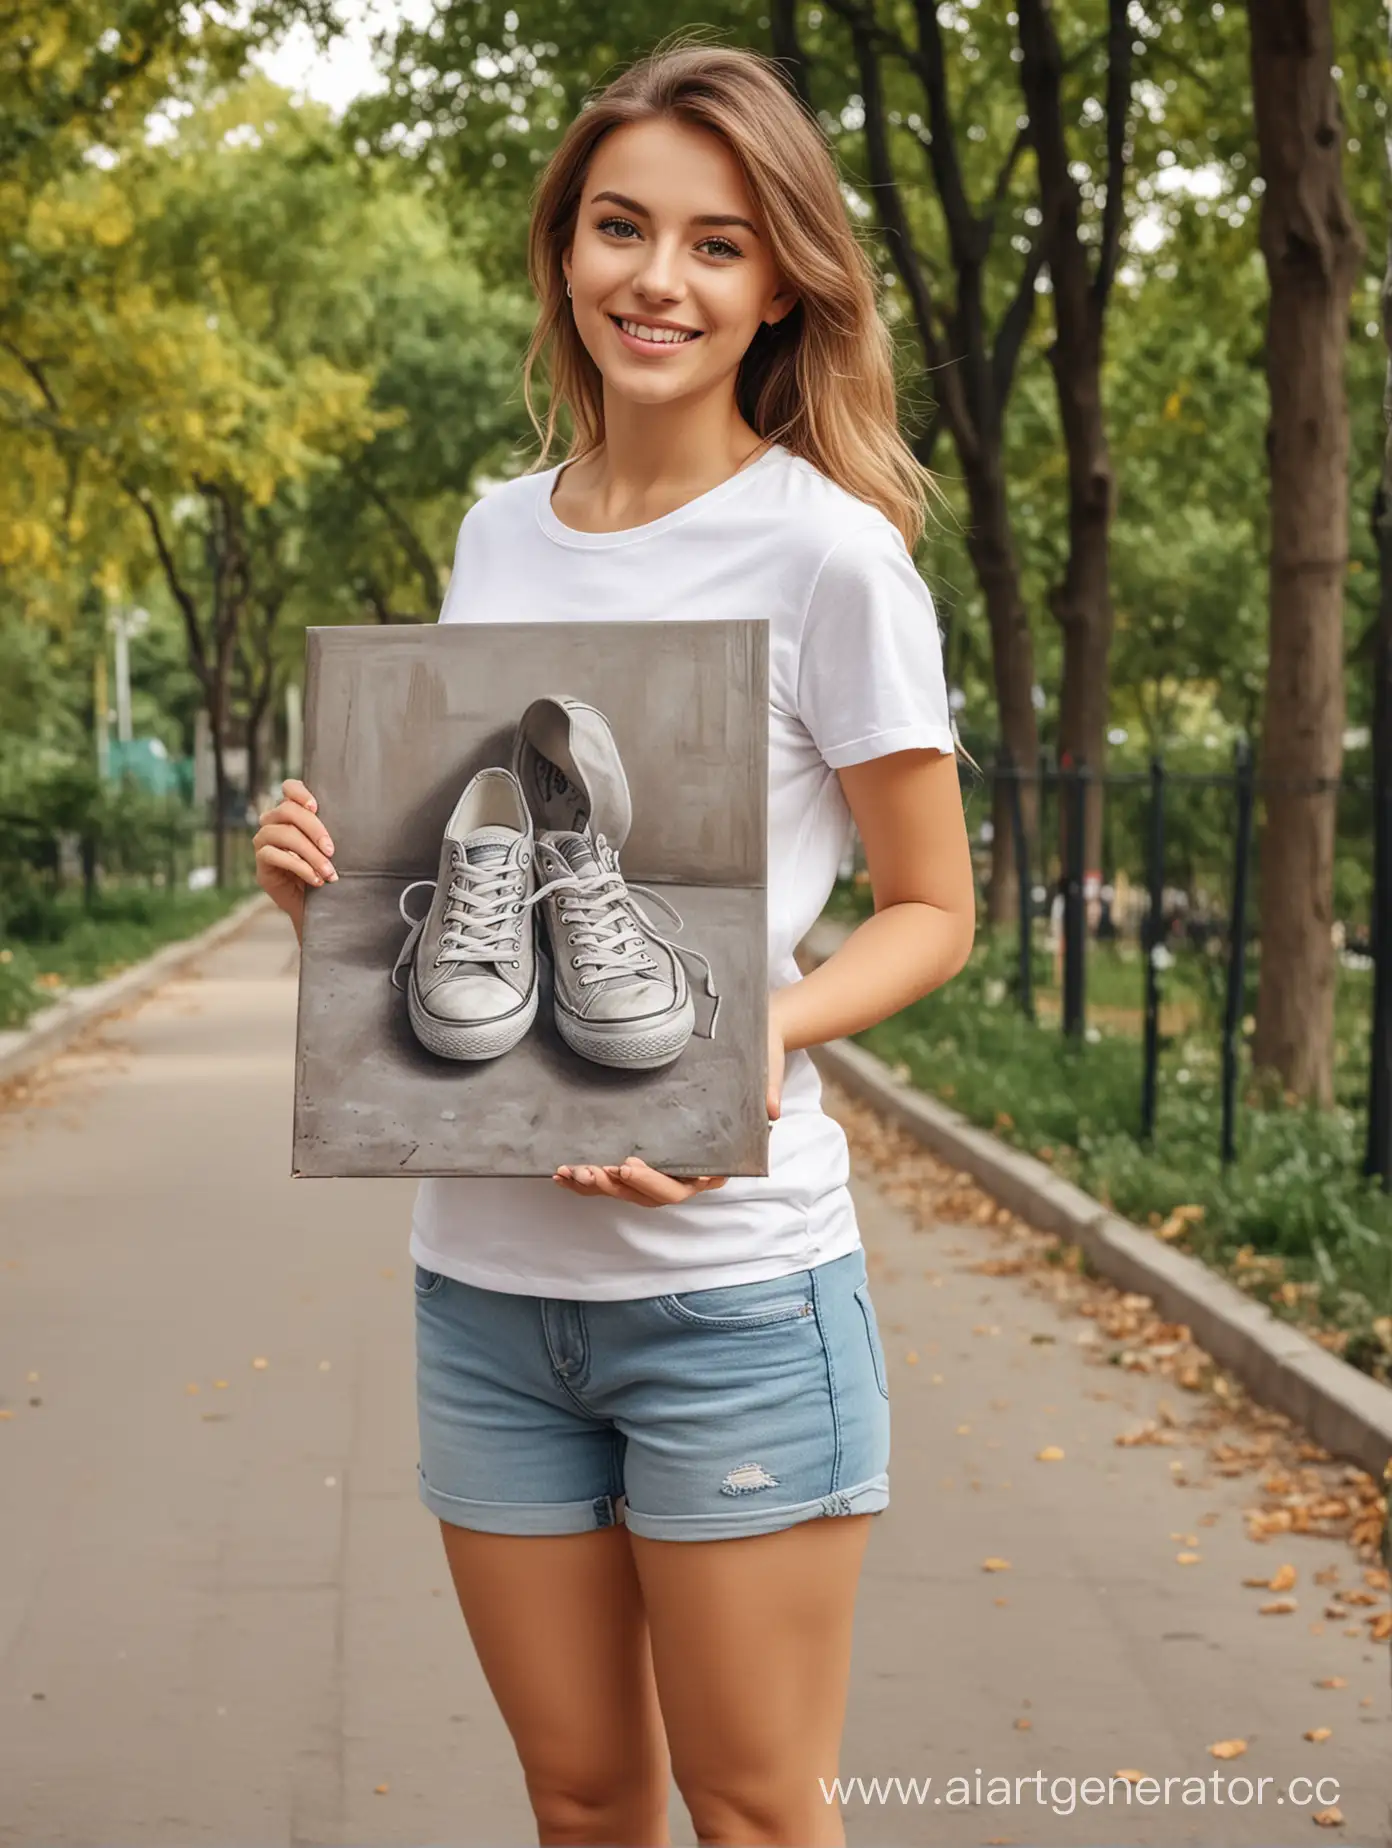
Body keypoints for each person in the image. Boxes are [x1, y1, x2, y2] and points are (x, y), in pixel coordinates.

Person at [253, 37, 975, 1848]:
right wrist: (326, 893)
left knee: (751, 1810)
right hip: (484, 1290)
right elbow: (456, 858)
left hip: (727, 1290)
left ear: (782, 281)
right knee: (581, 1804)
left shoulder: (834, 560)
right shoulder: (500, 531)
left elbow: (935, 911)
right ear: (562, 249)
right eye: (620, 227)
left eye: (718, 244)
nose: (659, 279)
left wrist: (756, 1042)